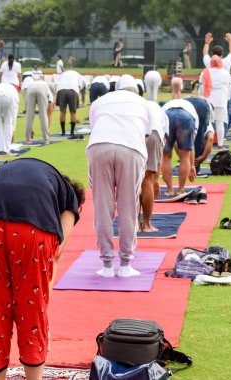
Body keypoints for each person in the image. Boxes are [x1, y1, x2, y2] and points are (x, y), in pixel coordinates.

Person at [0, 157, 85, 380]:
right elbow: (56, 253)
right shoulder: (70, 198)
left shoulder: (15, 170)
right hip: (30, 229)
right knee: (32, 309)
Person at [86, 74, 153, 278]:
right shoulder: (143, 103)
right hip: (130, 148)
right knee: (128, 206)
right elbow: (146, 135)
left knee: (102, 207)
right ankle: (125, 265)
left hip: (99, 147)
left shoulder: (100, 101)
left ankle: (106, 265)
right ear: (135, 89)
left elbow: (95, 128)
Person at [139, 101, 169, 232]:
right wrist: (157, 179)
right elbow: (161, 148)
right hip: (153, 133)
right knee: (148, 180)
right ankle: (147, 224)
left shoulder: (135, 104)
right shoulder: (161, 112)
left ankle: (136, 224)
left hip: (133, 132)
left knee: (132, 180)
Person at [161, 98, 199, 196]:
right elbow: (191, 146)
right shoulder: (193, 114)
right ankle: (180, 190)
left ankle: (170, 190)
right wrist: (192, 165)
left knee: (165, 156)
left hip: (166, 115)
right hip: (185, 117)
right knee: (184, 156)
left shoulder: (167, 105)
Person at [201, 55, 231, 149]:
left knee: (208, 123)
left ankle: (205, 144)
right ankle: (220, 144)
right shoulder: (225, 73)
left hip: (208, 99)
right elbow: (228, 86)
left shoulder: (205, 72)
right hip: (221, 100)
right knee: (220, 123)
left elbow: (201, 85)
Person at [184, 97, 214, 175]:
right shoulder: (209, 122)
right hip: (201, 105)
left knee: (182, 137)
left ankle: (188, 166)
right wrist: (203, 156)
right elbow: (210, 139)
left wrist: (183, 157)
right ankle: (194, 168)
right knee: (198, 137)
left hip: (184, 102)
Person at [0, 83, 20, 154]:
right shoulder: (14, 90)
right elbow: (14, 114)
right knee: (8, 122)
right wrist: (13, 129)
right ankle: (7, 149)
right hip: (8, 97)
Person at [55, 70, 83, 138]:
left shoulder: (63, 74)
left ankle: (63, 132)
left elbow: (58, 82)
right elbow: (80, 86)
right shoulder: (78, 74)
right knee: (73, 112)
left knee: (62, 111)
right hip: (73, 89)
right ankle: (72, 132)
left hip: (61, 89)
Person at [25, 80, 54, 144]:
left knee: (29, 116)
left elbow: (26, 105)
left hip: (30, 89)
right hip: (42, 89)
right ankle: (46, 139)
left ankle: (28, 139)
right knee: (43, 115)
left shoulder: (32, 83)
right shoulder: (46, 86)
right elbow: (51, 101)